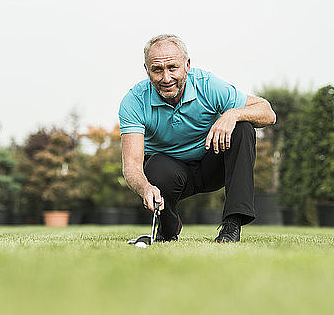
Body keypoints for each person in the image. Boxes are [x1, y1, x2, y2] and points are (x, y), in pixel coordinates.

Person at [118, 34, 276, 242]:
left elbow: (267, 112)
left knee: (243, 128)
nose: (166, 78)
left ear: (187, 65)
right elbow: (131, 166)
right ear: (147, 70)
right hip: (171, 173)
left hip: (213, 164)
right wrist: (145, 188)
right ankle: (168, 227)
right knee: (155, 167)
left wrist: (233, 114)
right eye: (157, 70)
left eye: (172, 67)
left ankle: (231, 226)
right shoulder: (134, 101)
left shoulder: (208, 85)